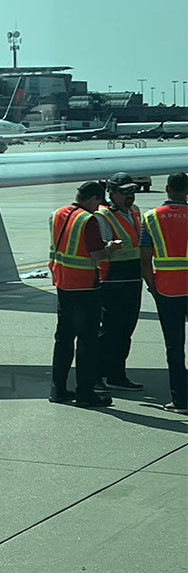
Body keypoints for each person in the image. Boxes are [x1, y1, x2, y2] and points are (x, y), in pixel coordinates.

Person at [48, 181, 122, 407]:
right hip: (84, 287)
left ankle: (58, 389)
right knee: (88, 342)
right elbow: (97, 254)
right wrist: (111, 247)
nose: (99, 208)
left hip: (63, 283)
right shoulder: (88, 220)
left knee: (63, 338)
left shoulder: (58, 213)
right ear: (93, 199)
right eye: (98, 203)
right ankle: (85, 393)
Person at [139, 171, 188, 415]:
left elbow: (145, 259)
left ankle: (181, 400)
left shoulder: (151, 217)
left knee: (174, 346)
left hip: (167, 289)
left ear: (167, 189)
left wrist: (152, 286)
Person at [94, 172, 144, 391]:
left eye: (132, 191)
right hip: (112, 279)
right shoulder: (103, 216)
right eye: (125, 192)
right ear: (112, 193)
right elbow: (100, 250)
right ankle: (98, 375)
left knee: (126, 329)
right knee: (110, 330)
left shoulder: (135, 211)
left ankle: (116, 374)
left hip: (133, 277)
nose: (130, 196)